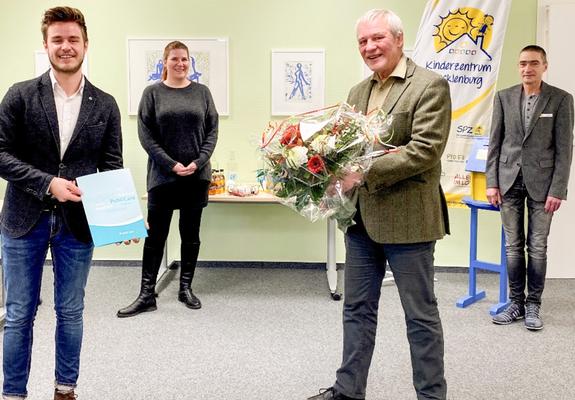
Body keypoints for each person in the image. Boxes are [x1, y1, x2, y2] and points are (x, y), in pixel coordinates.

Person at [308, 9, 451, 400]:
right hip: (361, 221)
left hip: (410, 221)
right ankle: (348, 390)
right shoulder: (358, 92)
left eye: (377, 39)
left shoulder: (430, 85)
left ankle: (431, 395)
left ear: (399, 39)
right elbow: (345, 150)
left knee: (419, 317)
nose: (369, 47)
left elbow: (424, 150)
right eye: (362, 41)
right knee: (356, 310)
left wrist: (363, 171)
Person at [0, 6, 126, 400]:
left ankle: (65, 389)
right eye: (58, 40)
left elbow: (111, 167)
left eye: (73, 39)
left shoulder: (105, 104)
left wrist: (120, 220)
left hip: (78, 224)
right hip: (23, 219)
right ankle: (14, 393)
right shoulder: (19, 95)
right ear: (46, 45)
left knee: (70, 312)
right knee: (19, 314)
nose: (66, 46)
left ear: (86, 45)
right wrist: (47, 183)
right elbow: (1, 154)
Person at [117, 40, 218, 318]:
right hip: (162, 177)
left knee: (190, 235)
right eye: (174, 59)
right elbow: (145, 135)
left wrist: (197, 162)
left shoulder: (202, 93)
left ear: (190, 62)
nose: (180, 63)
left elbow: (212, 132)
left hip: (196, 178)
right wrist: (171, 164)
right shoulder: (152, 93)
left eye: (184, 59)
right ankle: (146, 294)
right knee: (155, 236)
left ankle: (185, 288)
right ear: (165, 62)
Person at [486, 45, 574, 331]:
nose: (527, 68)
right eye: (523, 63)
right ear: (518, 65)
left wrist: (558, 189)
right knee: (513, 246)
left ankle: (534, 305)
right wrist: (491, 183)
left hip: (543, 183)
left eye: (534, 63)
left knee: (537, 246)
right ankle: (516, 304)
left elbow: (565, 150)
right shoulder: (503, 97)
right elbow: (495, 144)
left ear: (544, 66)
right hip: (508, 179)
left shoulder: (561, 99)